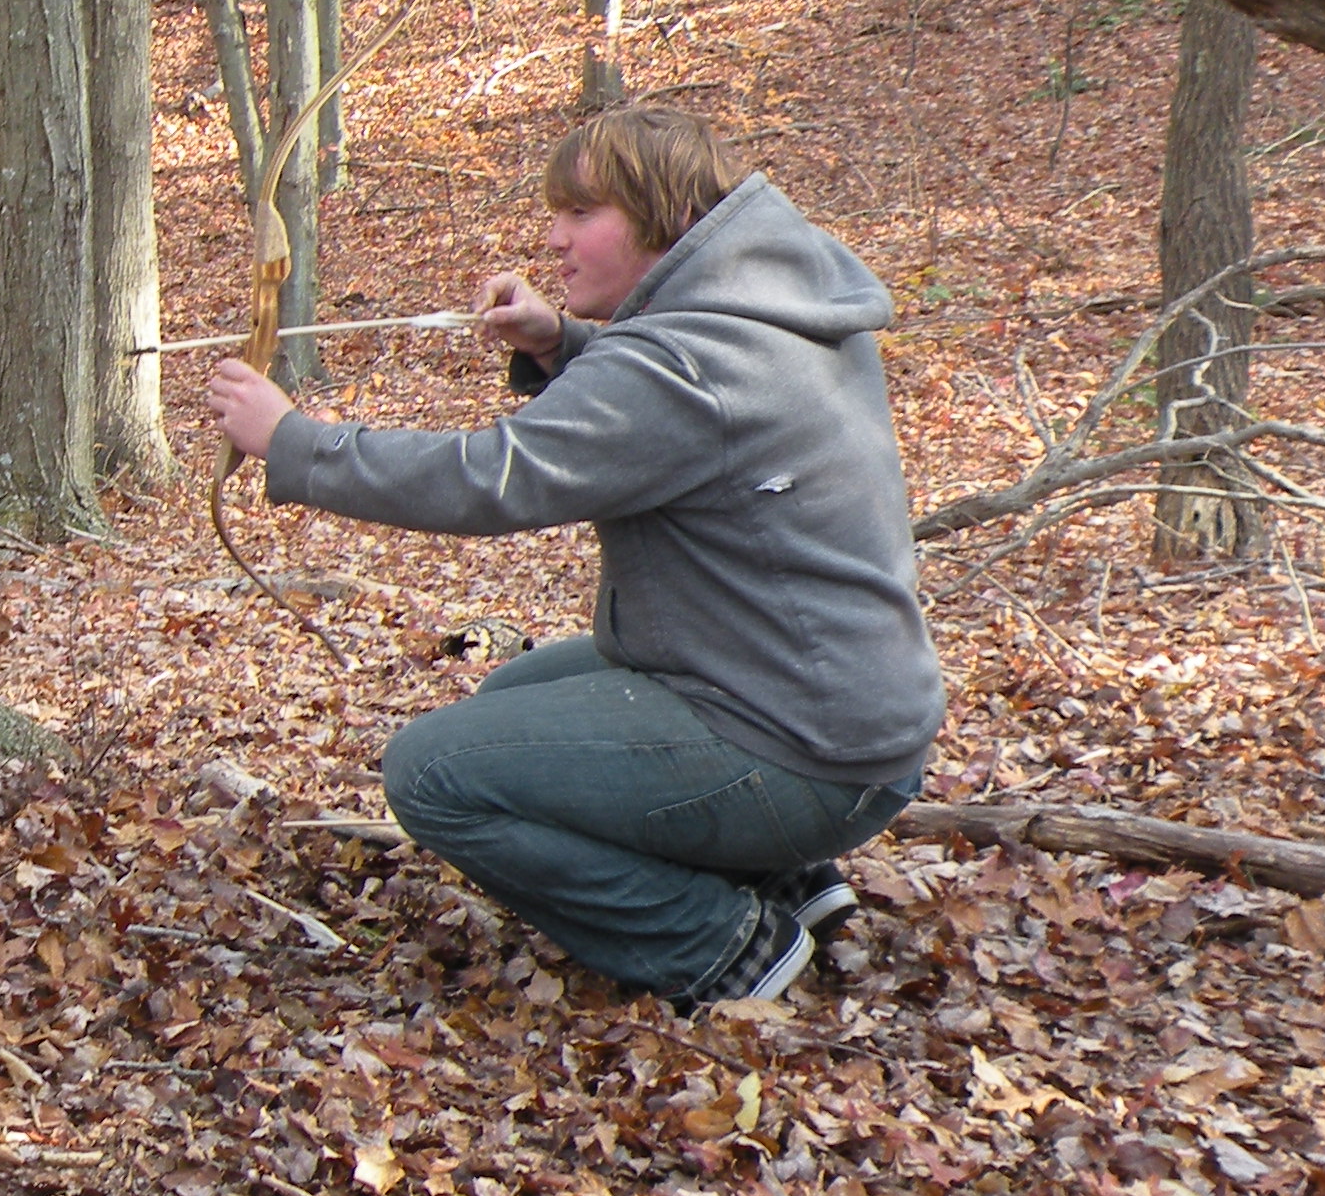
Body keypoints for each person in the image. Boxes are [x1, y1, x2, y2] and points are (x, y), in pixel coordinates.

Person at [204, 106, 940, 1012]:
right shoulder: (765, 308)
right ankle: (786, 875)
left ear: (661, 215)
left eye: (581, 213)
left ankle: (719, 943)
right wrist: (560, 343)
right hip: (838, 714)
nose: (554, 238)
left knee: (433, 772)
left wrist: (296, 442)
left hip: (808, 749)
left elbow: (491, 480)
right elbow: (684, 412)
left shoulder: (683, 364)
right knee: (515, 699)